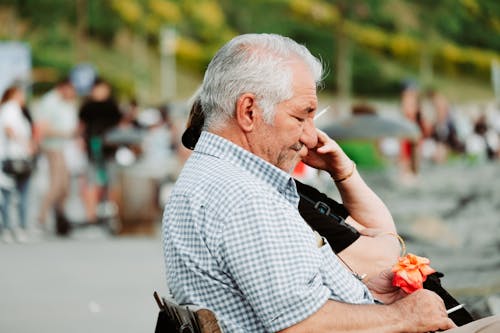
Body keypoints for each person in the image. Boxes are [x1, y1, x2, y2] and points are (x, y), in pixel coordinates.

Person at [163, 33, 459, 332]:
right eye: (301, 117)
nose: (310, 137)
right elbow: (301, 324)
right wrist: (404, 315)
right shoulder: (246, 198)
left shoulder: (216, 178)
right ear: (249, 111)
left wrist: (367, 290)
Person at [35, 78, 78, 235]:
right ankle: (41, 218)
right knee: (56, 185)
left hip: (62, 147)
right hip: (52, 147)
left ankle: (60, 218)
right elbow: (43, 128)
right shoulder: (50, 102)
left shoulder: (65, 103)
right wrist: (66, 133)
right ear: (63, 88)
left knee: (65, 186)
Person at [78, 78, 122, 222]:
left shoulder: (112, 105)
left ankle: (114, 213)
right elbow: (81, 126)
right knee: (91, 181)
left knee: (113, 181)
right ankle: (91, 215)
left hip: (110, 148)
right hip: (93, 147)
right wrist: (80, 140)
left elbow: (120, 124)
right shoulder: (87, 106)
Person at [0, 86, 35, 242]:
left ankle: (15, 227)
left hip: (17, 156)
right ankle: (13, 227)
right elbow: (9, 129)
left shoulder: (17, 110)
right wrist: (25, 144)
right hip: (13, 156)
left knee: (16, 193)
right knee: (14, 193)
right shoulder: (10, 108)